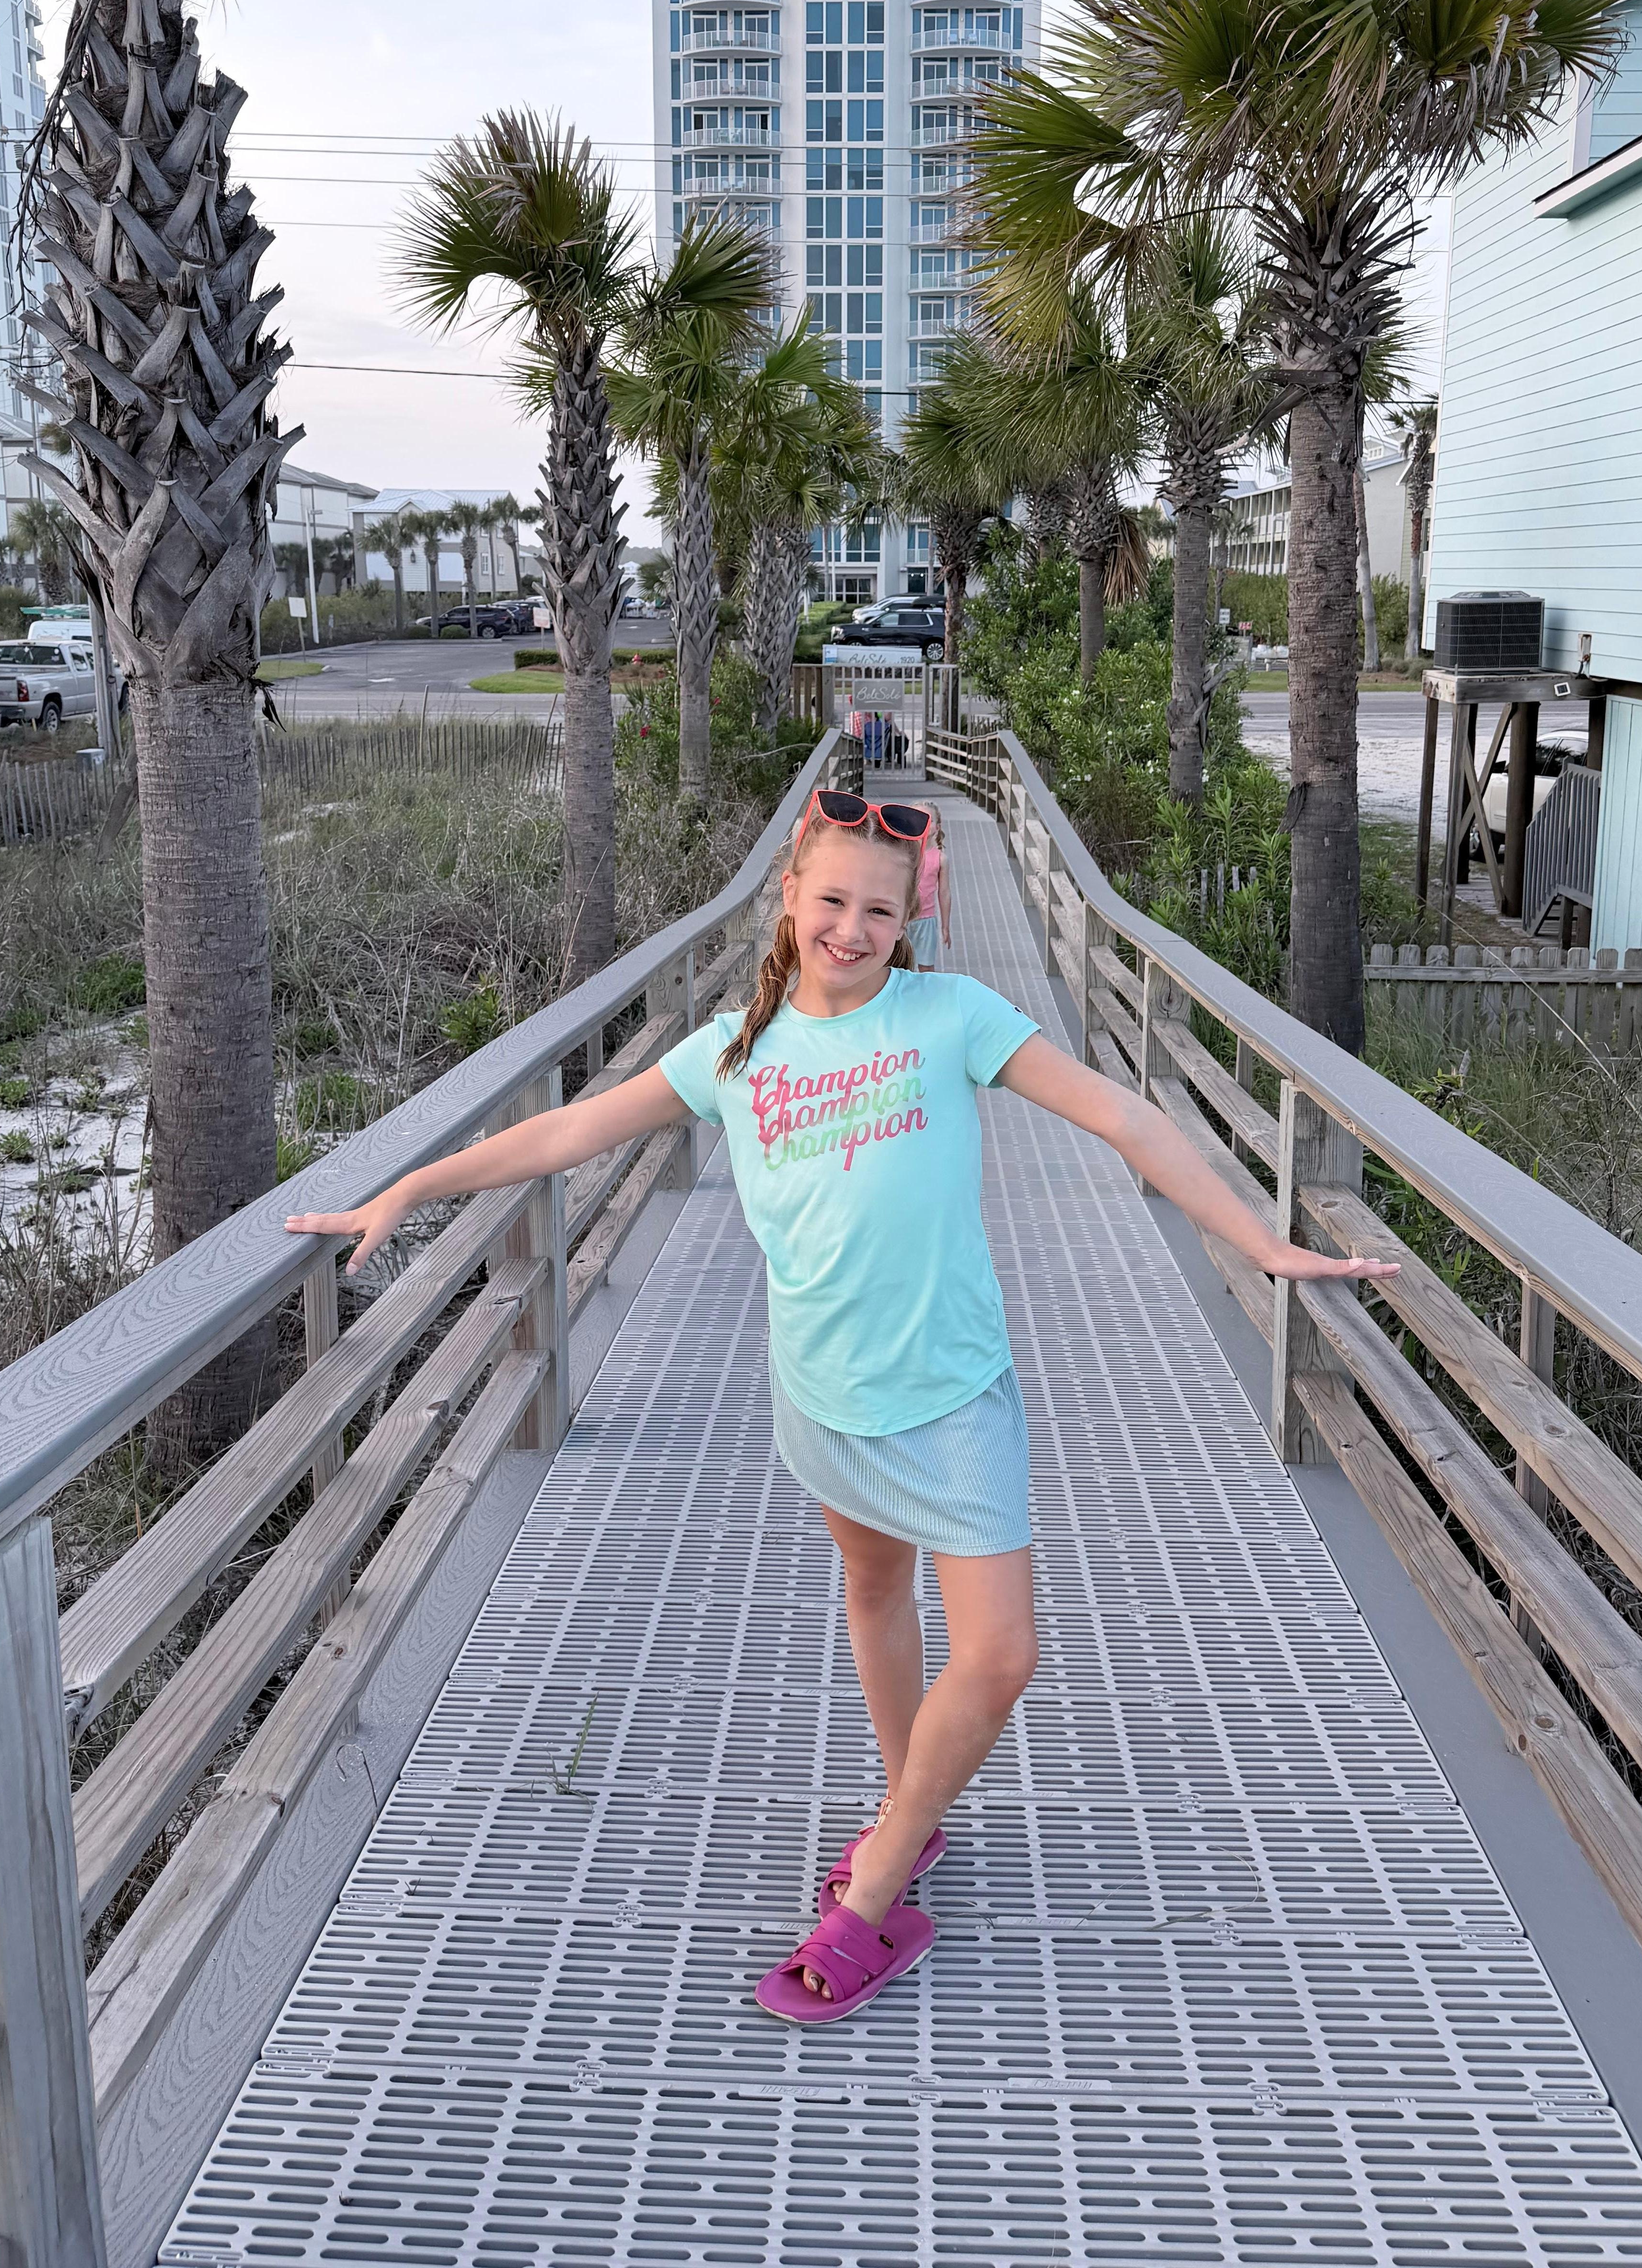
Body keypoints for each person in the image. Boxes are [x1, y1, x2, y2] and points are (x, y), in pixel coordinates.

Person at [286, 787, 1396, 2027]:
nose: (850, 929)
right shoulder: (730, 1054)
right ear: (789, 901)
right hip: (821, 1391)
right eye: (830, 901)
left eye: (877, 909)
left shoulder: (950, 1017)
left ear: (912, 915)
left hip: (953, 1391)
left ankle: (872, 1890)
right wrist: (406, 1190)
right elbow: (562, 1138)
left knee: (1000, 1653)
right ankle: (905, 1806)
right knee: (873, 1594)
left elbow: (1126, 1117)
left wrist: (1260, 1241)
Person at [906, 802, 953, 970]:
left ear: (937, 828)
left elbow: (945, 893)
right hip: (902, 918)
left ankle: (927, 995)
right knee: (900, 966)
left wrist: (945, 926)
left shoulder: (940, 859)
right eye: (919, 819)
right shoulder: (904, 852)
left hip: (926, 921)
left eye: (929, 820)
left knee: (926, 968)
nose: (924, 825)